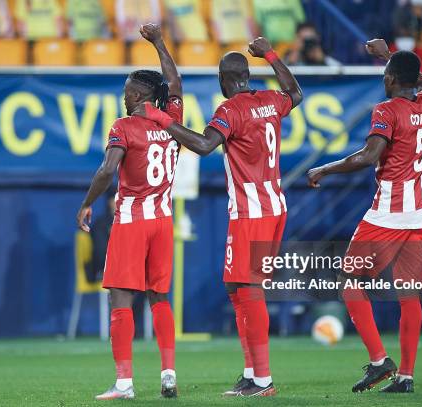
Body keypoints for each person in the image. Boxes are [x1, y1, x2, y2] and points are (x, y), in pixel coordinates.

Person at [136, 37, 302, 397]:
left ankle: (263, 379)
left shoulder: (231, 110)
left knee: (249, 288)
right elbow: (295, 92)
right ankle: (250, 372)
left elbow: (203, 144)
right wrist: (271, 55)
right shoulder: (270, 100)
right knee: (236, 287)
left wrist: (160, 118)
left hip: (251, 211)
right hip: (272, 205)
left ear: (224, 80)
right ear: (245, 75)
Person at [307, 39, 422, 393]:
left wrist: (325, 169)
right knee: (410, 295)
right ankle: (406, 377)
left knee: (350, 280)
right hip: (421, 213)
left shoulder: (386, 109)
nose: (383, 79)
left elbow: (367, 156)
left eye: (386, 74)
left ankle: (380, 361)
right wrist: (391, 56)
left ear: (392, 80)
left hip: (388, 215)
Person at [76, 23, 182, 400]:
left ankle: (124, 383)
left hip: (132, 221)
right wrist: (158, 42)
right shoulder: (173, 120)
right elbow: (174, 80)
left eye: (127, 91)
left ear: (138, 94)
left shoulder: (124, 126)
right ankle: (168, 375)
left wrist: (88, 203)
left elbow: (107, 170)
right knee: (160, 298)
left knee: (120, 299)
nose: (124, 97)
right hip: (162, 221)